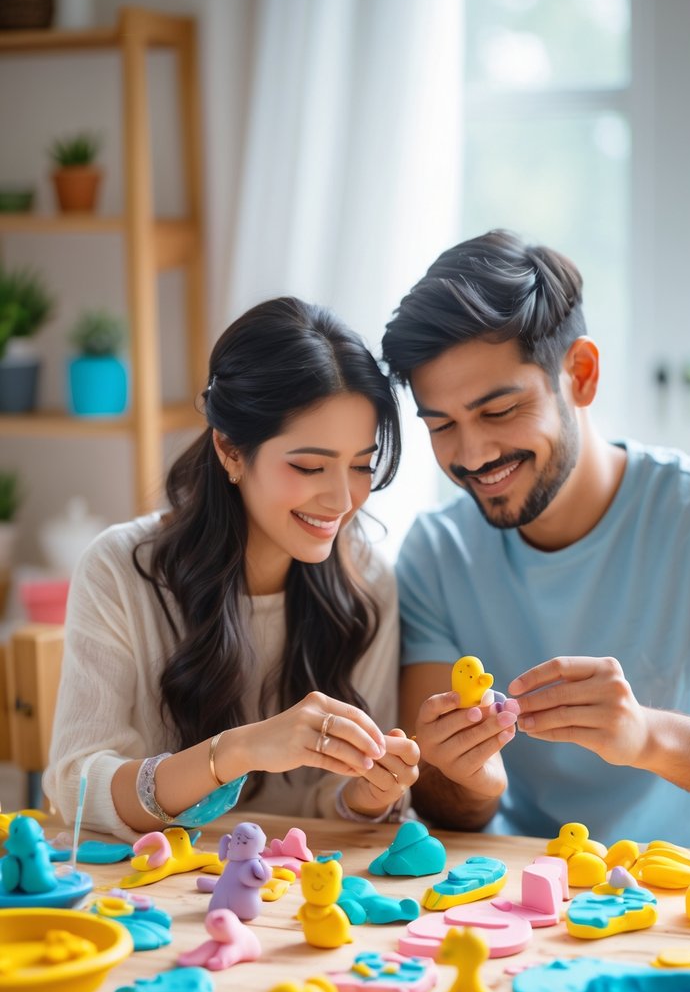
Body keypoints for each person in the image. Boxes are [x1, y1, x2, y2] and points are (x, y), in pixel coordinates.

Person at [381, 229, 690, 848]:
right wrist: (463, 777)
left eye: (499, 410)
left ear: (582, 374)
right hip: (515, 893)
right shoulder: (435, 552)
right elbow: (442, 808)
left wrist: (647, 737)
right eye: (442, 425)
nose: (472, 454)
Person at [45, 297, 419, 839]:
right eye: (310, 465)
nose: (343, 498)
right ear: (230, 449)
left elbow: (328, 804)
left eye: (362, 465)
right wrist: (239, 750)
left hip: (298, 898)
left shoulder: (366, 583)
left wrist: (367, 794)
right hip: (152, 893)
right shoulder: (121, 570)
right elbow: (77, 789)